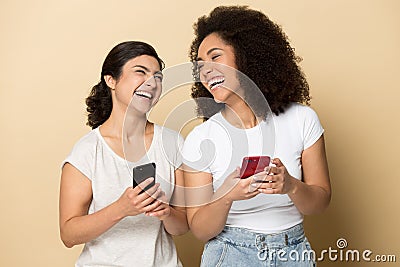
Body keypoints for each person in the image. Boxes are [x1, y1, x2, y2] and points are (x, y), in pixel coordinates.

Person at [182, 6, 331, 266]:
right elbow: (200, 229)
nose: (206, 71)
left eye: (215, 57)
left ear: (247, 56)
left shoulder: (302, 119)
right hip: (230, 254)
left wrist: (291, 186)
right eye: (200, 66)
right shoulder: (201, 138)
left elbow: (319, 204)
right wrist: (227, 195)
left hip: (293, 253)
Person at [59, 41, 188, 267]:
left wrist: (165, 212)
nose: (152, 82)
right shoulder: (88, 151)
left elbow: (182, 226)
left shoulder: (172, 143)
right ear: (111, 80)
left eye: (158, 77)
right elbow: (68, 234)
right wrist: (121, 209)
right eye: (141, 71)